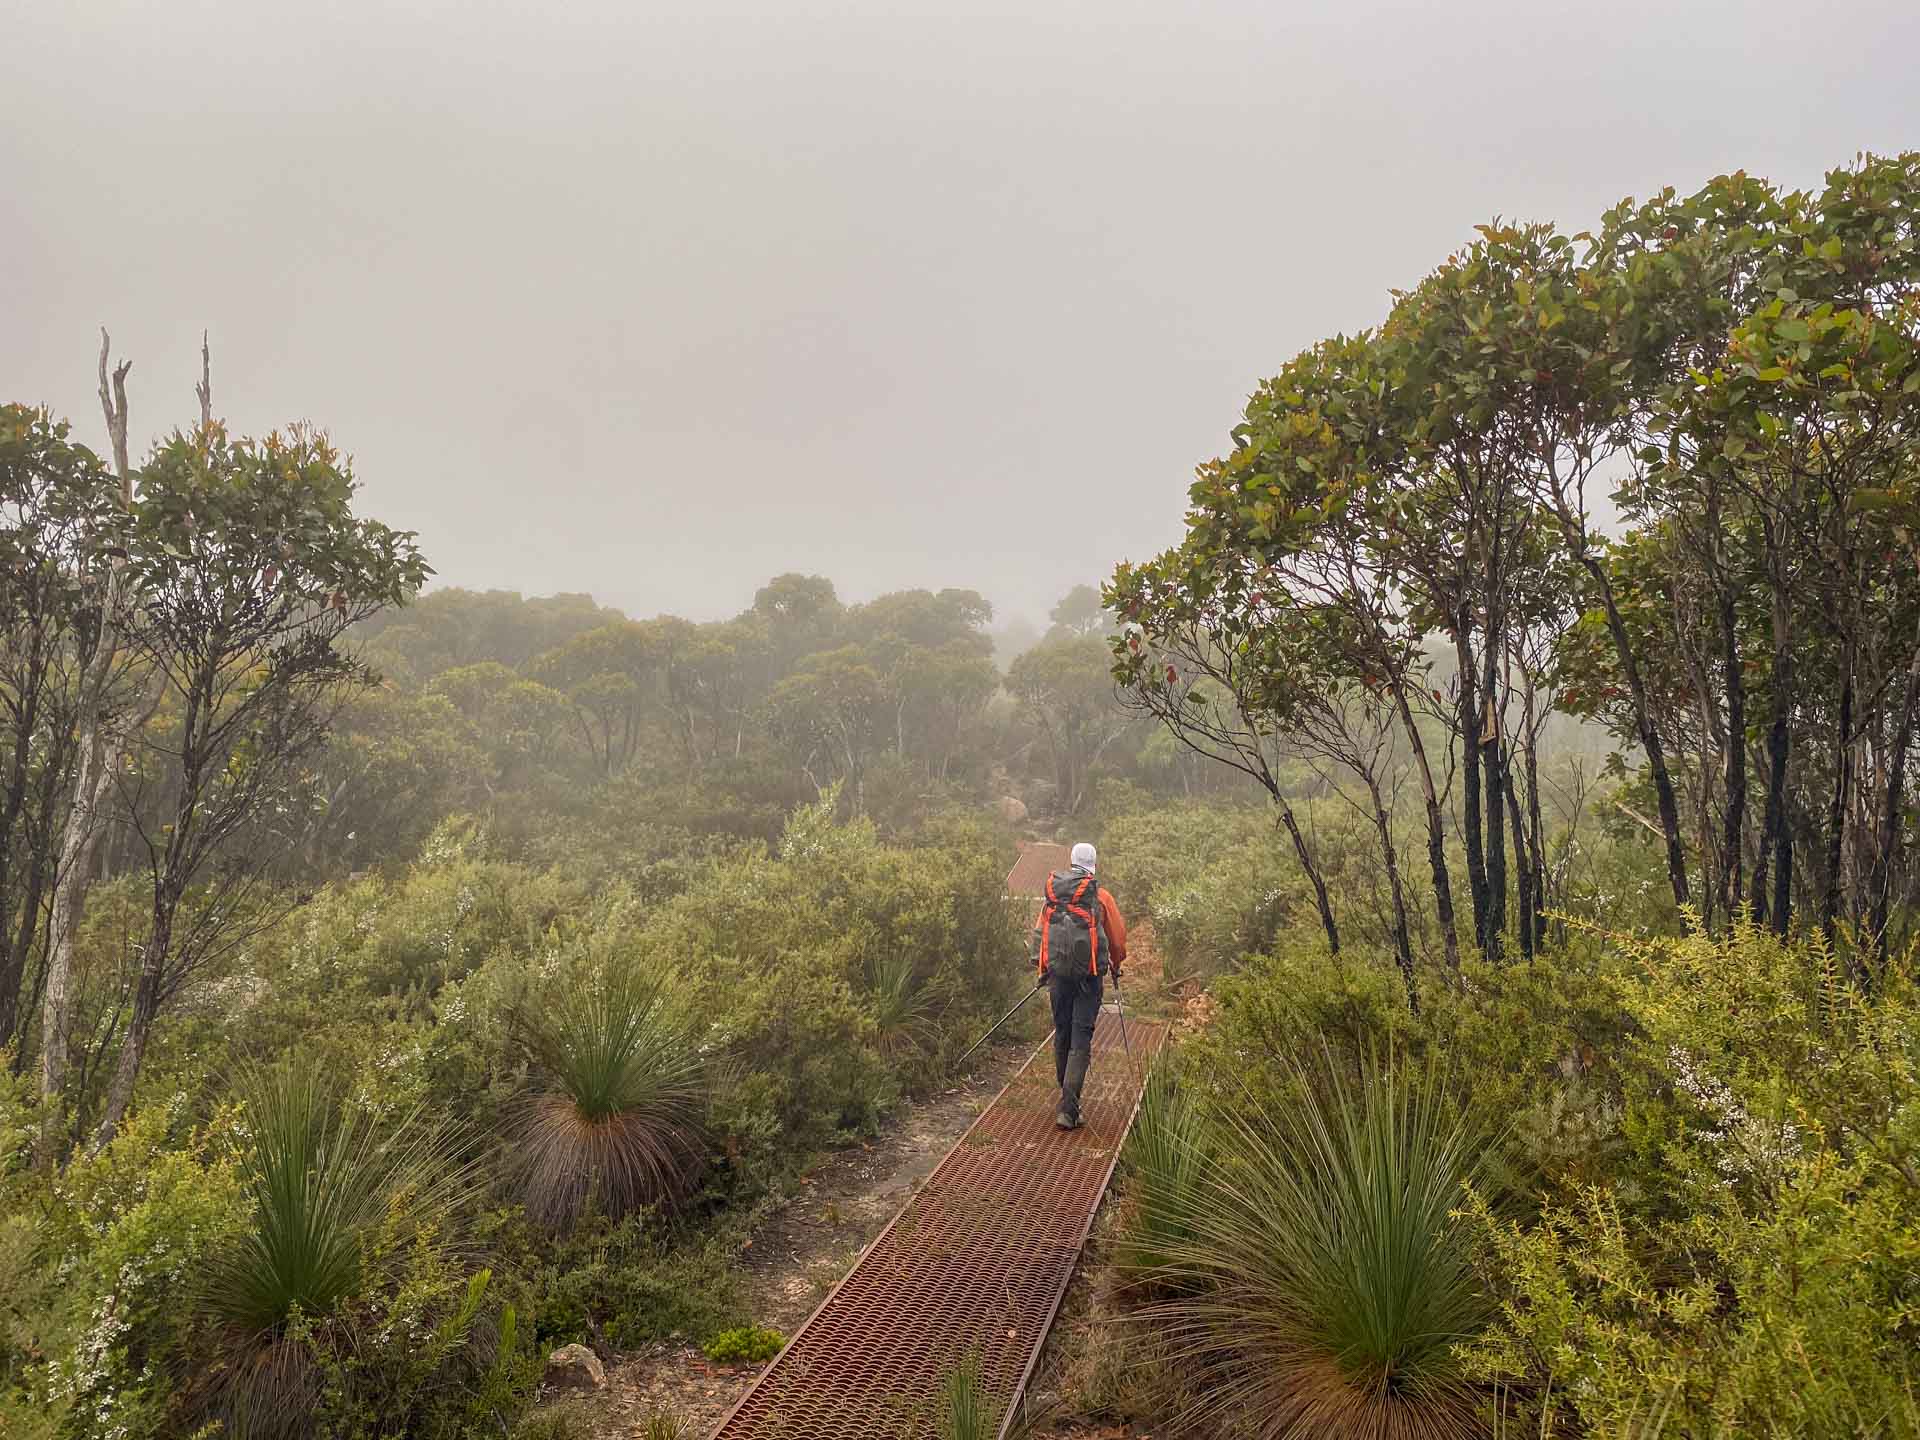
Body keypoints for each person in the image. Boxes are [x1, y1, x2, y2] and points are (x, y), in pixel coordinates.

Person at [1030, 841, 1127, 1130]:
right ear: (1094, 864)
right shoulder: (1101, 897)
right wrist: (1116, 964)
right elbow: (1118, 940)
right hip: (1089, 979)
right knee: (1080, 1039)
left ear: (1071, 860)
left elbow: (1041, 933)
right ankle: (1069, 1110)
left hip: (1058, 977)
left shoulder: (1054, 896)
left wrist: (1043, 968)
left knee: (1062, 1033)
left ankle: (1066, 1098)